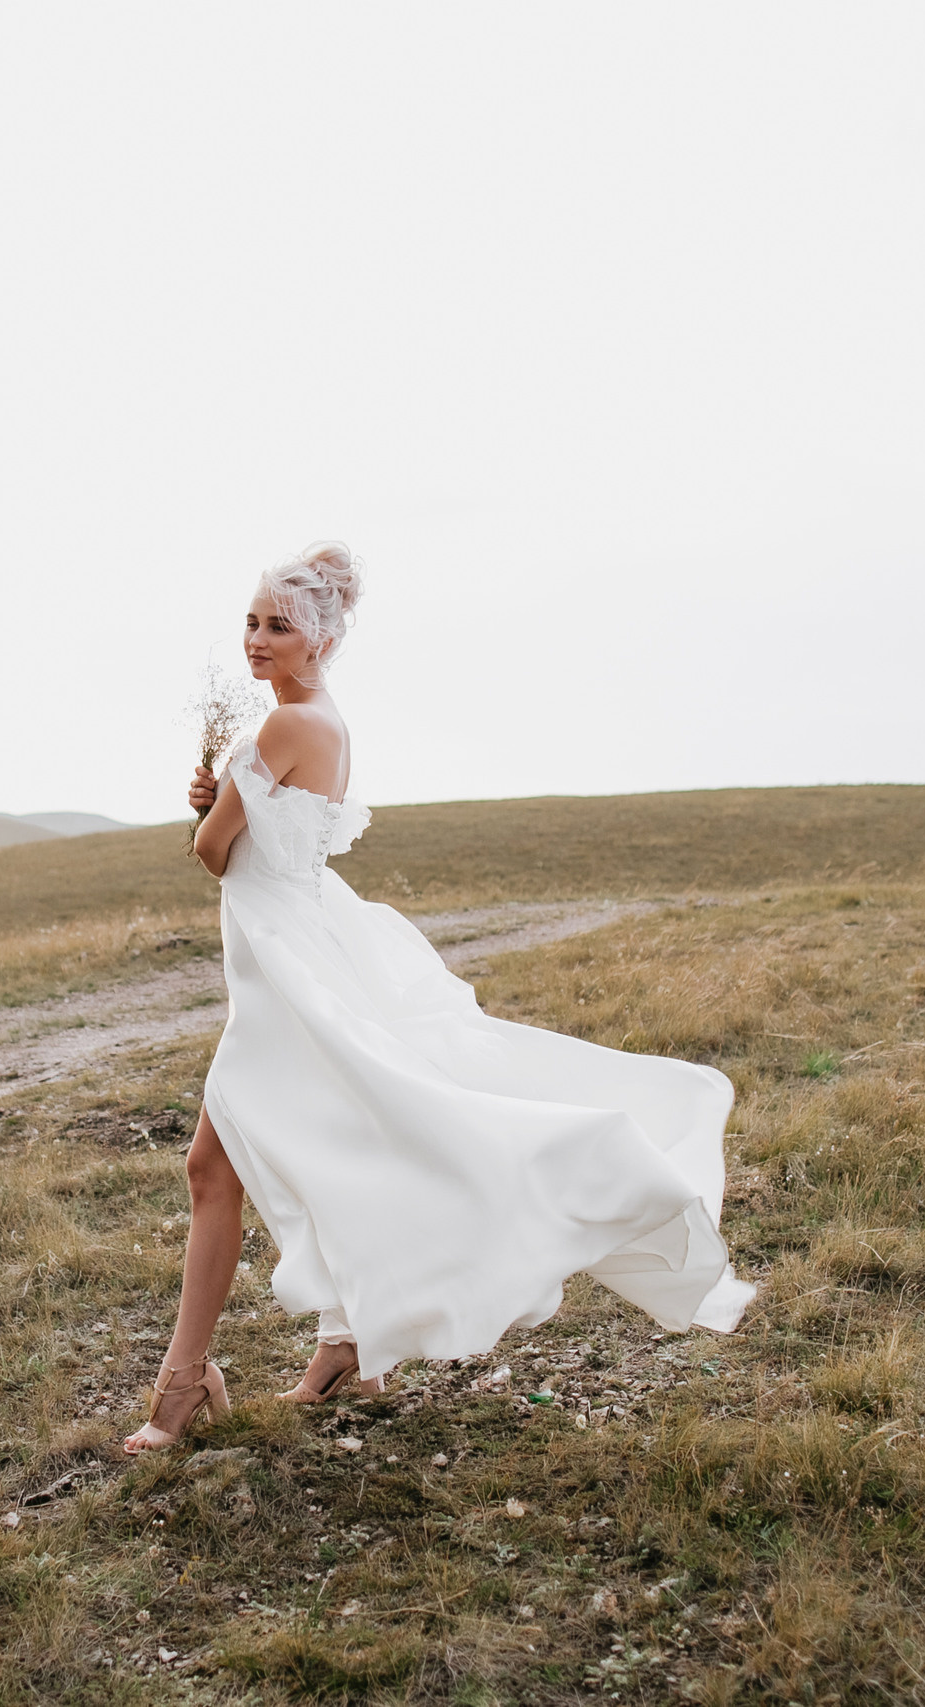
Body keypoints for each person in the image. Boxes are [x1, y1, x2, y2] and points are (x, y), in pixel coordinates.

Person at [121, 542, 757, 1454]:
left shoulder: (278, 732)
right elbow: (254, 835)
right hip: (300, 948)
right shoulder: (321, 721)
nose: (258, 640)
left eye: (279, 626)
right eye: (253, 623)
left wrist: (212, 804)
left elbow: (217, 854)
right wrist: (220, 799)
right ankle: (344, 1345)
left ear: (322, 640)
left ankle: (185, 1386)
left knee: (227, 1165)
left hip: (285, 973)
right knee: (289, 1148)